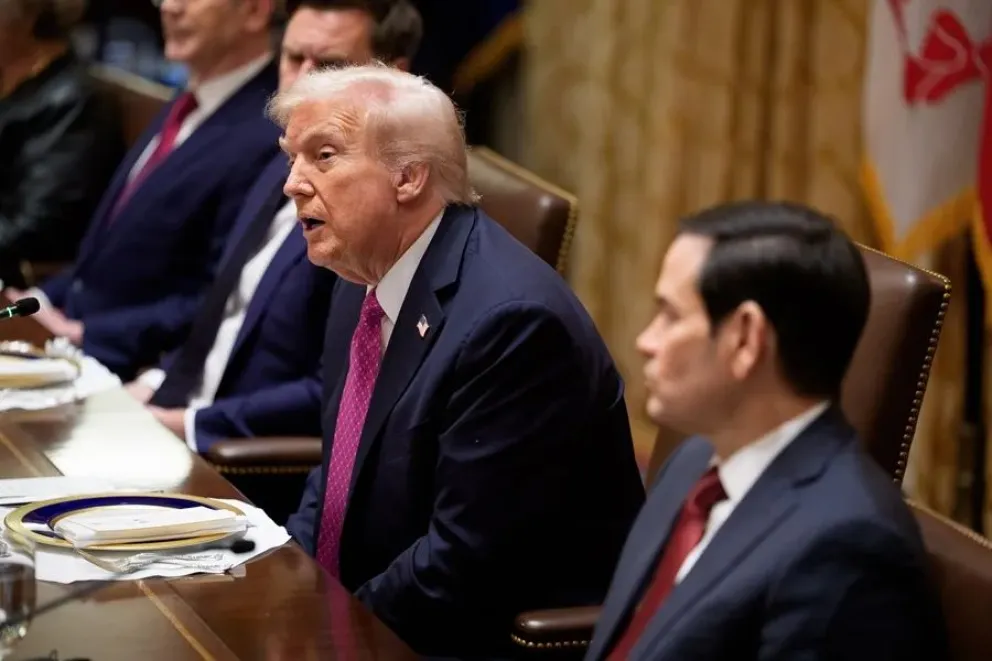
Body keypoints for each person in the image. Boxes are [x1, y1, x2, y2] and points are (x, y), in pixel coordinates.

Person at [275, 65, 645, 657]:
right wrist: (282, 582)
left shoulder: (513, 326)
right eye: (292, 158)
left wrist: (326, 634)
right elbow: (340, 467)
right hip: (382, 611)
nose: (293, 183)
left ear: (409, 177)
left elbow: (461, 564)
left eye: (323, 157)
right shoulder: (360, 274)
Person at [584, 201, 948, 660]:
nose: (646, 341)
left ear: (745, 339)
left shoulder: (846, 550)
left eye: (671, 316)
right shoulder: (695, 461)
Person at [124, 0, 424, 453]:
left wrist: (187, 423)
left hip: (243, 460)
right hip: (178, 413)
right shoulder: (278, 160)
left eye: (330, 66)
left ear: (394, 78)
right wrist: (158, 382)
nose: (302, 82)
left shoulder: (386, 212)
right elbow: (221, 309)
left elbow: (341, 391)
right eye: (293, 58)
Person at [5, 0, 281, 380]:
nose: (169, 7)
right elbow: (107, 250)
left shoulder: (270, 131)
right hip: (66, 337)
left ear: (254, 10)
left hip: (137, 369)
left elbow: (225, 295)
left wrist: (87, 332)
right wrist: (41, 301)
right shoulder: (189, 101)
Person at [0, 0, 123, 289]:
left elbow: (33, 229)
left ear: (27, 15)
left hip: (24, 282)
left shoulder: (75, 100)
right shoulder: (6, 74)